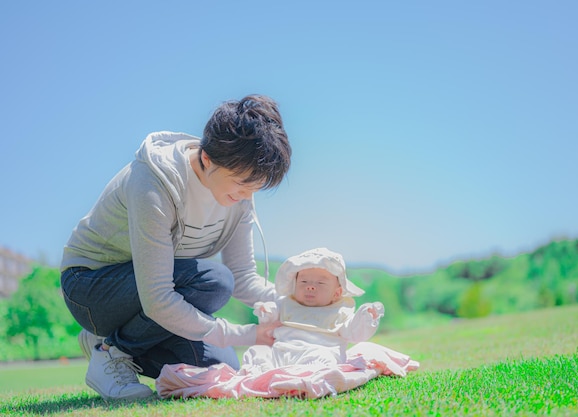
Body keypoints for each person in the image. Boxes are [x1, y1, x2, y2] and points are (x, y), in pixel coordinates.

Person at [60, 94, 291, 400]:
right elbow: (158, 298)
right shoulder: (155, 181)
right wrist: (245, 333)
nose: (248, 196)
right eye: (242, 184)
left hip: (151, 297)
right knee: (214, 282)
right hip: (91, 288)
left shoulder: (238, 192)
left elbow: (245, 279)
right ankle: (111, 350)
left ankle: (110, 340)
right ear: (207, 158)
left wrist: (298, 304)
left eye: (255, 188)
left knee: (218, 367)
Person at [245, 247, 385, 372]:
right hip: (281, 352)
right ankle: (262, 372)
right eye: (304, 282)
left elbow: (354, 332)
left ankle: (307, 374)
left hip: (317, 352)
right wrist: (267, 312)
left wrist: (365, 318)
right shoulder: (287, 304)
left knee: (323, 358)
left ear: (337, 293)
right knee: (258, 351)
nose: (310, 286)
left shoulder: (339, 313)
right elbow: (269, 322)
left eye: (320, 283)